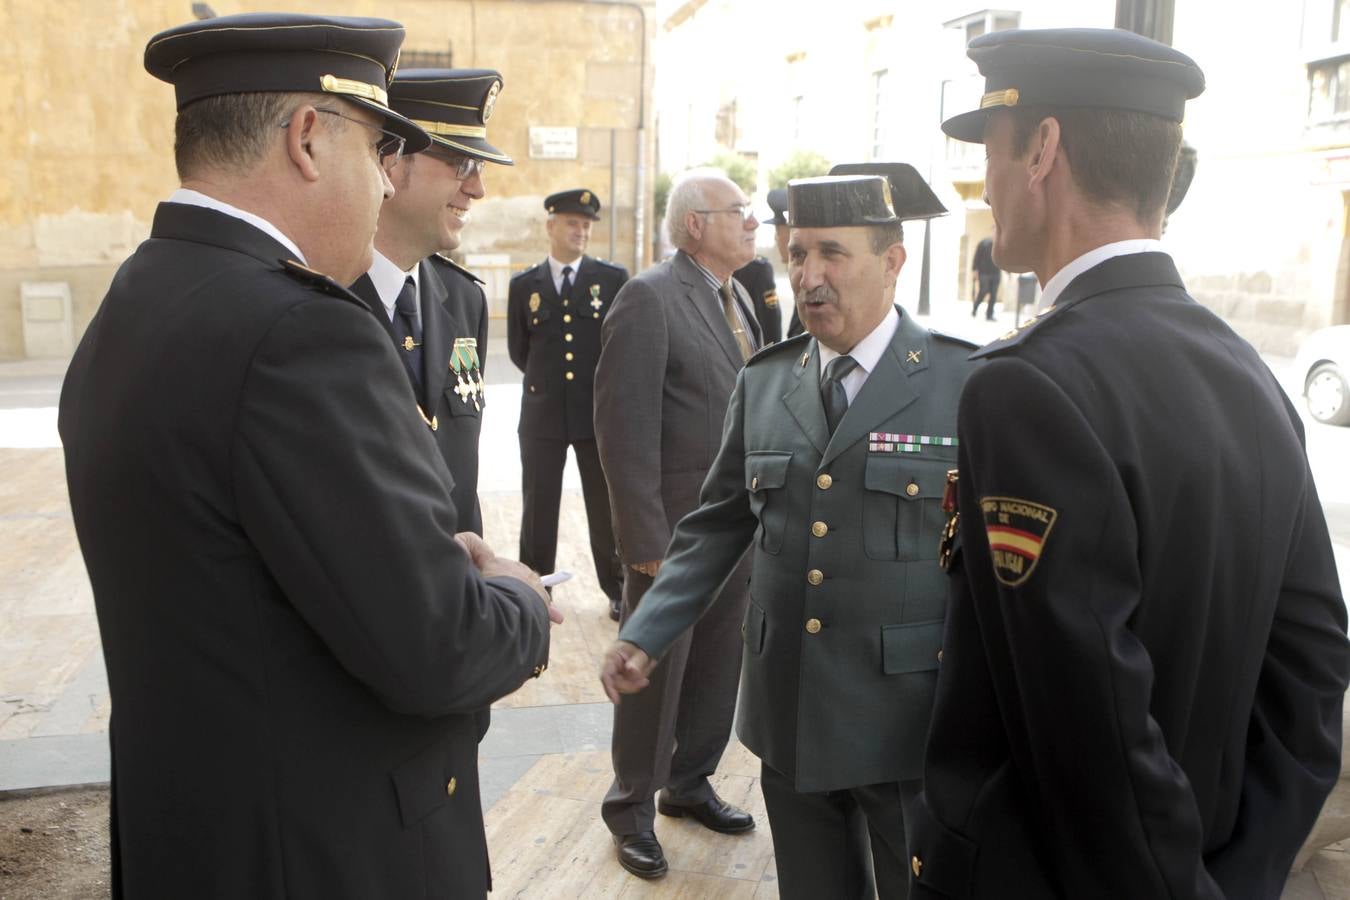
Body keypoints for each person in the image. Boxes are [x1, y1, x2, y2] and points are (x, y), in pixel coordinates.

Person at [58, 13, 559, 898]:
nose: (383, 180)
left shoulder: (141, 293)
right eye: (376, 149)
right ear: (305, 138)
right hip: (322, 851)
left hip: (199, 836)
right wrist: (515, 595)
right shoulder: (299, 331)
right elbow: (437, 647)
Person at [909, 28, 1350, 898]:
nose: (988, 185)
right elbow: (1313, 667)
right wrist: (1239, 874)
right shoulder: (1251, 376)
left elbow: (1091, 733)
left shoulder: (1024, 387)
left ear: (1042, 150)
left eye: (993, 152)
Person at [600, 173, 976, 899]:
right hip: (790, 709)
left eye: (833, 253)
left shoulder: (963, 382)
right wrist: (647, 630)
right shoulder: (766, 382)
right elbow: (717, 524)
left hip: (904, 719)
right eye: (798, 253)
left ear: (893, 262)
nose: (808, 275)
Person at [593, 168, 763, 878]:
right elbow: (622, 428)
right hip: (673, 538)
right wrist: (644, 542)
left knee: (718, 666)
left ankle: (689, 783)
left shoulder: (738, 297)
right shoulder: (650, 297)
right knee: (654, 679)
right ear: (696, 224)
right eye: (739, 210)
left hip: (734, 529)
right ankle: (630, 808)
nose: (753, 221)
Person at [350, 67, 512, 537]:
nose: (477, 188)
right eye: (461, 164)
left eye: (479, 168)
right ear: (390, 161)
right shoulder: (321, 294)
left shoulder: (464, 298)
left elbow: (461, 473)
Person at [508, 189, 629, 620]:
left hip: (595, 414)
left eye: (586, 225)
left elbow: (620, 345)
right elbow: (520, 351)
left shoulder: (611, 280)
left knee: (605, 506)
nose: (581, 231)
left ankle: (617, 588)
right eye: (572, 223)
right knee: (538, 507)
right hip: (542, 415)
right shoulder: (525, 285)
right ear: (551, 226)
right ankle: (535, 587)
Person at [970, 235, 1000, 319]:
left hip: (996, 272)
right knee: (983, 292)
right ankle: (975, 308)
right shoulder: (983, 243)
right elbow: (977, 257)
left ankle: (989, 314)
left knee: (993, 295)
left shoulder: (1000, 243)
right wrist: (974, 269)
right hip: (984, 273)